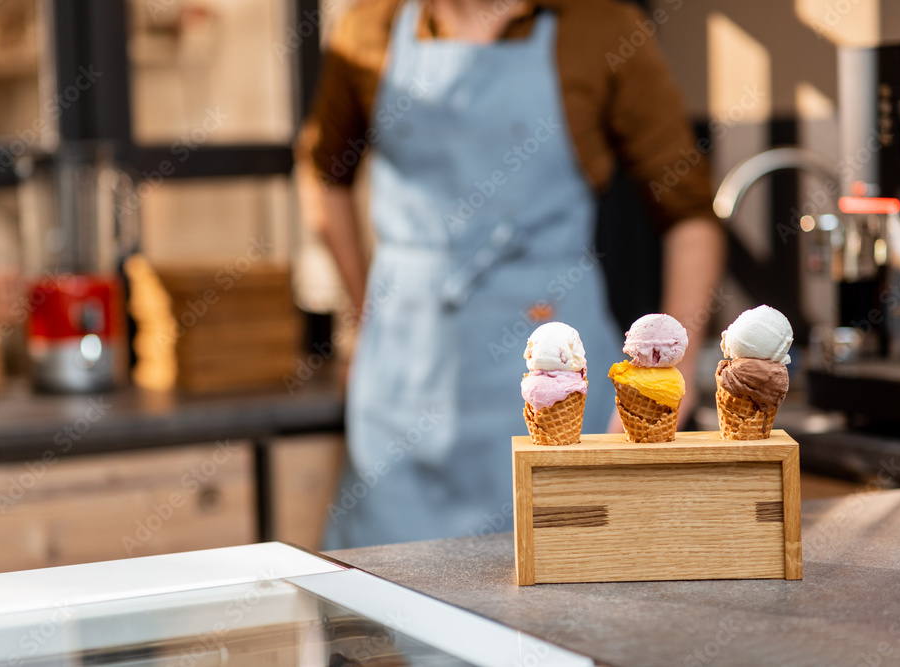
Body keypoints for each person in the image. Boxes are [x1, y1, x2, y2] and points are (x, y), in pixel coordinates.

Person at [296, 0, 725, 549]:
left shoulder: (602, 28)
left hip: (556, 366)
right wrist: (366, 310)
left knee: (563, 588)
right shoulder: (367, 27)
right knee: (388, 607)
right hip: (403, 376)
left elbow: (689, 215)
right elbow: (320, 173)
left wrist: (676, 374)